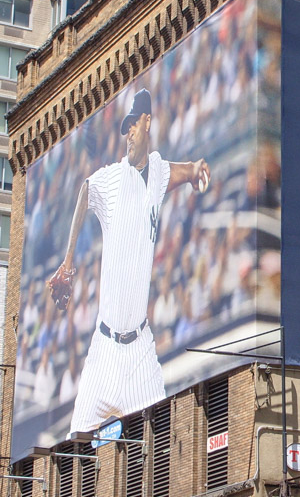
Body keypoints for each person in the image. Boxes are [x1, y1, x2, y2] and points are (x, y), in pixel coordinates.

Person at [51, 88, 211, 434]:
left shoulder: (157, 172)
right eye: (125, 129)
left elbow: (181, 171)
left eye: (133, 126)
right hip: (105, 349)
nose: (128, 134)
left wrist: (197, 169)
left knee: (161, 439)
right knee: (73, 448)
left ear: (147, 122)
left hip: (140, 350)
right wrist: (68, 261)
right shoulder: (112, 178)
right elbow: (84, 192)